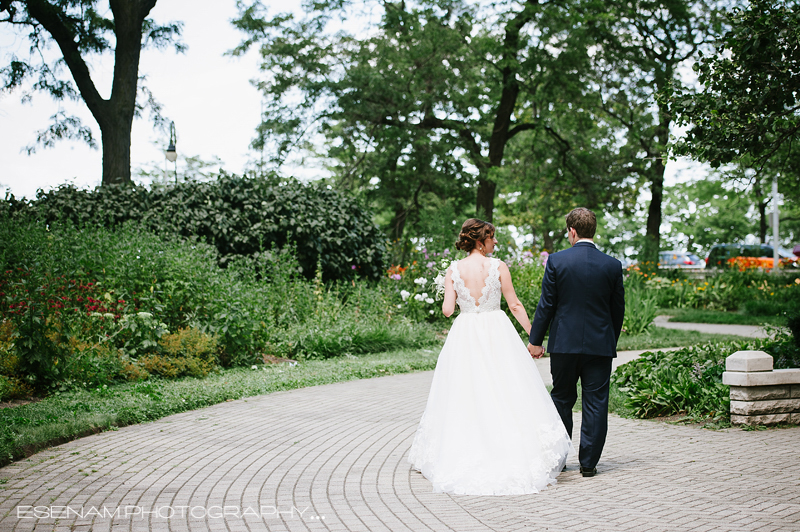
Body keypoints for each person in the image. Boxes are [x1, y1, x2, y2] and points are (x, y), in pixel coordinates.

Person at [408, 218, 573, 496]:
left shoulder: (453, 269)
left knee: (466, 390)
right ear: (479, 240)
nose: (495, 242)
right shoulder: (498, 266)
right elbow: (515, 304)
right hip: (497, 330)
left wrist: (449, 288)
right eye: (491, 237)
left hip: (466, 331)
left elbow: (448, 310)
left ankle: (465, 448)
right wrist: (534, 337)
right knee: (505, 386)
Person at [528, 208, 625, 478]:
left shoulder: (557, 261)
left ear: (572, 231)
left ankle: (559, 459)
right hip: (600, 346)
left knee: (561, 398)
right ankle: (589, 463)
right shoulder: (612, 265)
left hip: (564, 345)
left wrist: (536, 341)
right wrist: (609, 340)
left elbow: (547, 305)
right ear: (593, 231)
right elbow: (618, 310)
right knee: (596, 402)